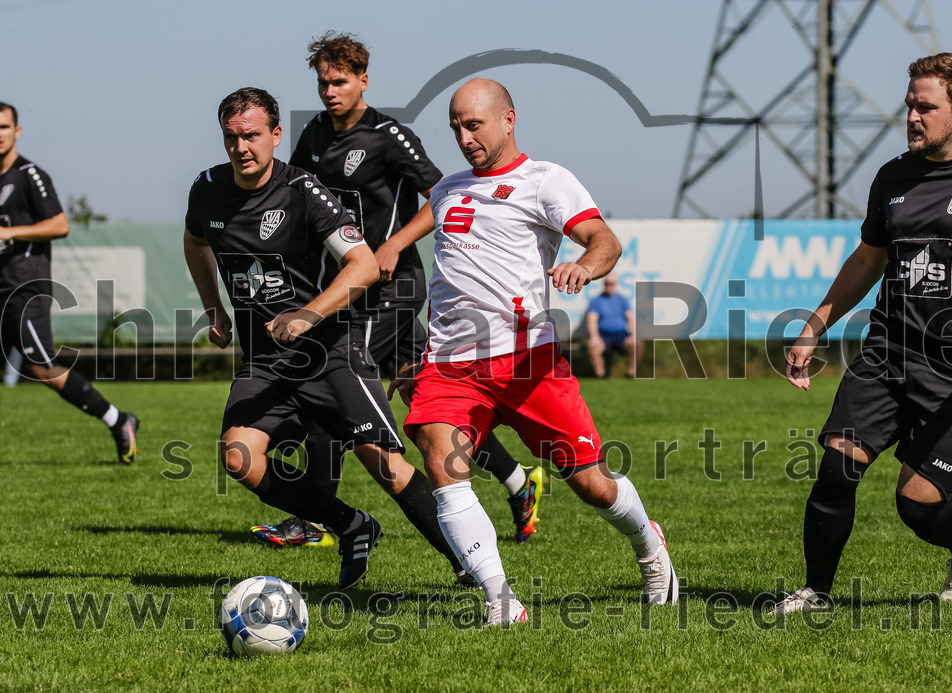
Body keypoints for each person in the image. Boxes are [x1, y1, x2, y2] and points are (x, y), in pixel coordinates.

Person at [390, 78, 678, 625]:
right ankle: (502, 602)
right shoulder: (446, 190)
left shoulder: (545, 180)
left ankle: (648, 542)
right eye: (455, 127)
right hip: (451, 366)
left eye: (473, 124)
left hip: (528, 364)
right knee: (442, 463)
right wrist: (423, 362)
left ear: (508, 119)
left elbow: (604, 241)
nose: (464, 137)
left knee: (592, 485)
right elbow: (450, 281)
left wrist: (583, 266)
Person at [251, 31, 547, 550]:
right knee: (421, 397)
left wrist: (392, 245)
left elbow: (443, 196)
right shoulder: (315, 135)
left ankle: (315, 518)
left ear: (363, 80)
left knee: (333, 377)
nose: (330, 90)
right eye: (323, 81)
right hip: (348, 286)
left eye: (340, 80)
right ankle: (519, 482)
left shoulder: (390, 135)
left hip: (395, 285)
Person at [184, 87, 471, 589]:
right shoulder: (206, 189)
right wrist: (215, 308)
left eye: (251, 136)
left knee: (384, 462)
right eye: (231, 138)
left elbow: (361, 266)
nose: (241, 148)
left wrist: (308, 314)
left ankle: (470, 564)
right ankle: (349, 524)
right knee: (239, 456)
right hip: (264, 362)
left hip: (328, 353)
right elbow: (194, 242)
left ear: (275, 135)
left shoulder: (303, 190)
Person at [776, 53, 952, 613]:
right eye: (909, 104)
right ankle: (817, 592)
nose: (911, 116)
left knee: (916, 505)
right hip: (887, 351)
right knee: (837, 467)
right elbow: (868, 260)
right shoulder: (893, 176)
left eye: (925, 107)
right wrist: (814, 327)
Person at [0, 102, 139, 463]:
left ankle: (118, 420)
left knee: (42, 366)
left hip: (23, 288)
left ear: (16, 131)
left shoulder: (29, 174)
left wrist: (10, 232)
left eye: (3, 127)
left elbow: (59, 224)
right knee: (33, 367)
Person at [586, 273, 642, 378]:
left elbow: (630, 318)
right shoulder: (596, 301)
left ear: (615, 284)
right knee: (593, 346)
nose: (609, 286)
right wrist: (594, 337)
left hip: (621, 335)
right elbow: (592, 320)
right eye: (607, 283)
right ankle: (601, 375)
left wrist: (633, 336)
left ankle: (631, 373)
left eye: (611, 284)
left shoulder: (622, 299)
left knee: (637, 344)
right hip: (603, 336)